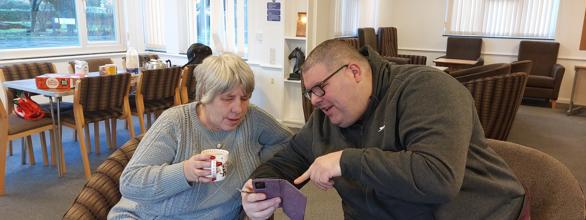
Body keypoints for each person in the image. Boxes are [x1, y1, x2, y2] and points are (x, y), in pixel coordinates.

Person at [241, 40, 526, 219]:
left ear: (353, 72)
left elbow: (438, 177)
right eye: (309, 93)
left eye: (319, 88)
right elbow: (286, 161)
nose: (314, 101)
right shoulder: (326, 120)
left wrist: (344, 160)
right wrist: (256, 188)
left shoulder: (427, 89)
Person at [108, 53, 292, 219]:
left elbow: (290, 145)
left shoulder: (253, 119)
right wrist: (186, 171)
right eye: (228, 98)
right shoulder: (176, 122)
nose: (239, 109)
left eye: (245, 98)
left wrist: (258, 167)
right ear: (205, 94)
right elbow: (130, 182)